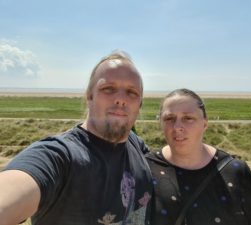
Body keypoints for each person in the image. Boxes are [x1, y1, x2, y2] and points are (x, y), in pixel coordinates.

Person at [0, 51, 152, 225]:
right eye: (108, 89)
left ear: (139, 104)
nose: (120, 99)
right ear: (89, 95)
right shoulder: (59, 157)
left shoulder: (136, 146)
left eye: (132, 92)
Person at [146, 88, 251, 225]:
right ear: (161, 123)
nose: (177, 126)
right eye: (169, 118)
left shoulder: (235, 172)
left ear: (205, 123)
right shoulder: (145, 168)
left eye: (188, 118)